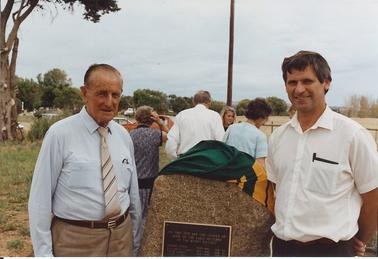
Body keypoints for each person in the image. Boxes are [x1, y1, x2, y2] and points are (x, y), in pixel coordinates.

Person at [266, 50, 378, 257]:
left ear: (326, 83)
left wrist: (359, 239)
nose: (299, 89)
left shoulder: (352, 135)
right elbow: (276, 190)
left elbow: (373, 197)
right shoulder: (278, 138)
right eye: (292, 82)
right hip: (283, 249)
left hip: (331, 250)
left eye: (307, 81)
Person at [28, 64, 142, 256]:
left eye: (115, 95)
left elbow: (133, 195)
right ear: (84, 93)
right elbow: (40, 200)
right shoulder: (60, 134)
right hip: (74, 242)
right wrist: (44, 254)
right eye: (102, 93)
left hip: (121, 240)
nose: (109, 101)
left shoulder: (123, 136)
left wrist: (135, 243)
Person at [130, 106, 168, 237]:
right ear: (151, 119)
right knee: (148, 223)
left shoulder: (129, 135)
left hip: (133, 185)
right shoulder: (156, 135)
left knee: (134, 224)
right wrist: (160, 122)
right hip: (151, 185)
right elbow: (172, 138)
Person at [165, 90, 225, 159]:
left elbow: (172, 139)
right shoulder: (214, 116)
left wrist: (174, 158)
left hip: (185, 159)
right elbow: (221, 140)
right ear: (209, 102)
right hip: (207, 159)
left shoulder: (182, 115)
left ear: (193, 102)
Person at [223, 98, 272, 167]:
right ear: (261, 117)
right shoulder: (260, 136)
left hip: (226, 172)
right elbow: (260, 165)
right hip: (246, 175)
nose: (265, 122)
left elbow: (223, 149)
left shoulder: (231, 128)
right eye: (266, 118)